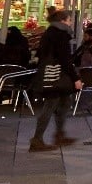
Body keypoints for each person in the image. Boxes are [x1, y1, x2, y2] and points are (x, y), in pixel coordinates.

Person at [30, 10, 81, 151]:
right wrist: (75, 78)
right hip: (55, 75)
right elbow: (64, 58)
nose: (71, 22)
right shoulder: (61, 35)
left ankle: (59, 134)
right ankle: (37, 139)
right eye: (70, 19)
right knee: (50, 105)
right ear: (63, 21)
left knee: (65, 102)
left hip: (49, 73)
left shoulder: (49, 32)